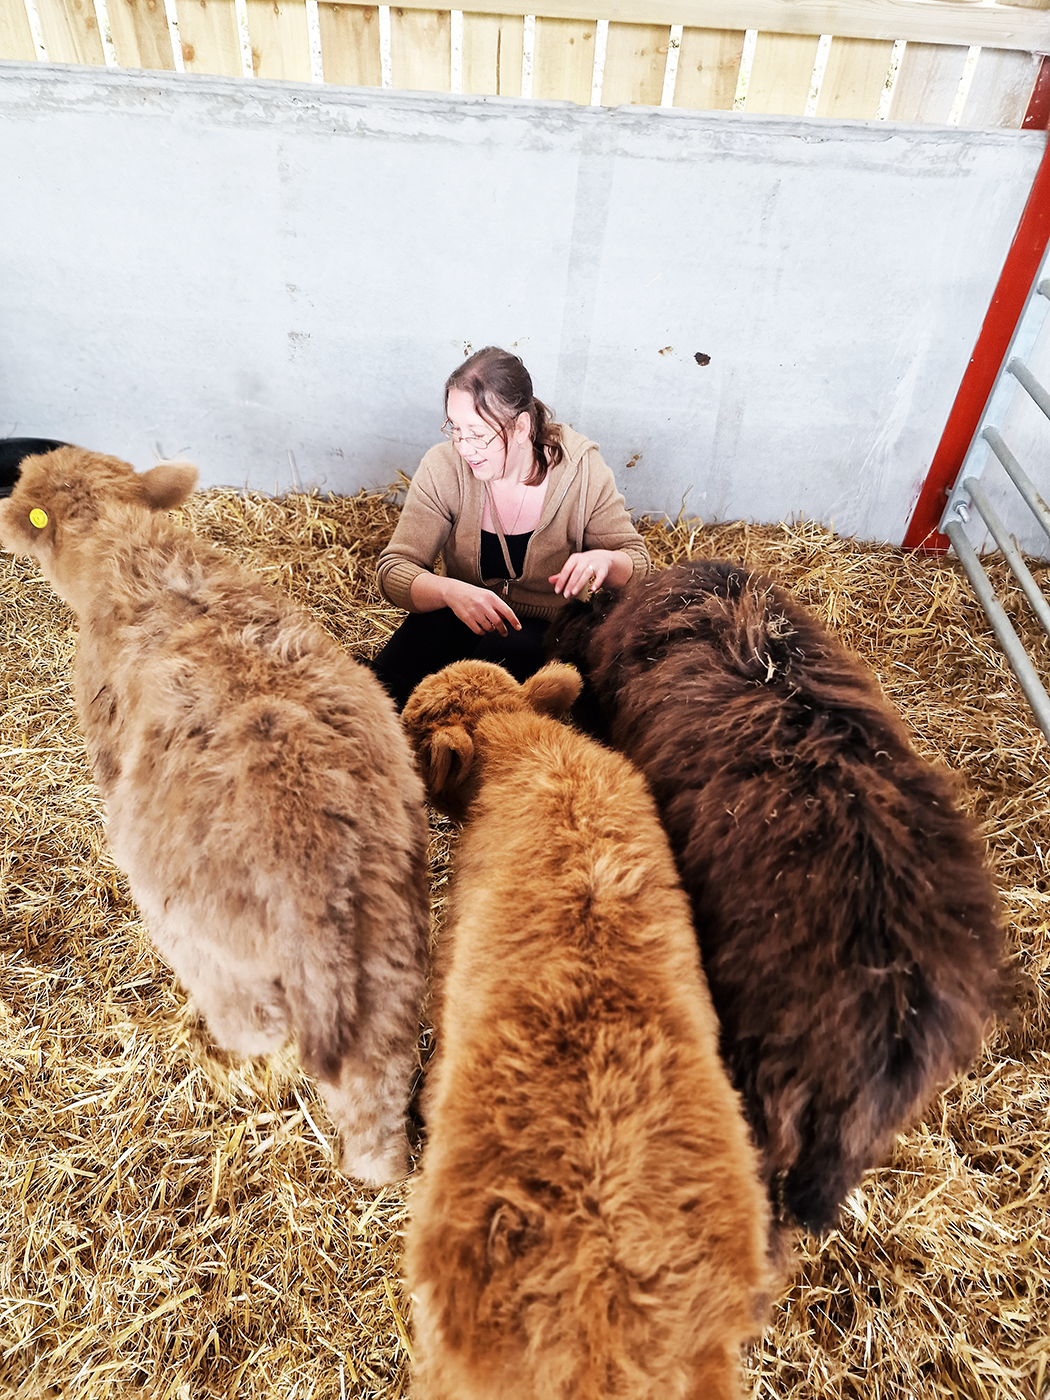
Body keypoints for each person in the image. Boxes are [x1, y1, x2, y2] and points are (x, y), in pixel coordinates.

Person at [372, 347, 650, 710]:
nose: (463, 447)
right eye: (455, 428)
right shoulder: (444, 467)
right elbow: (395, 569)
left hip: (542, 627)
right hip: (462, 609)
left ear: (521, 426)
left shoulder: (582, 473)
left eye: (478, 433)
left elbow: (638, 563)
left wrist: (605, 561)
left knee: (477, 702)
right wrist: (450, 592)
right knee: (380, 691)